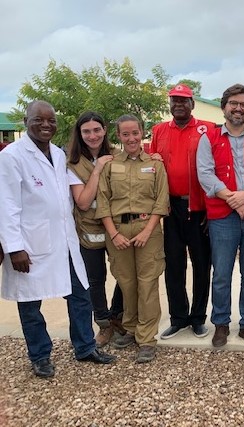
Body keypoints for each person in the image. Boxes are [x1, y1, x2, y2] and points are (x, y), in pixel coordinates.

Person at [0, 100, 116, 378]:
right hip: (30, 244)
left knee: (80, 295)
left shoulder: (58, 153)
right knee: (30, 303)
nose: (45, 125)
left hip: (65, 240)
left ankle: (85, 347)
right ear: (25, 122)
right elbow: (6, 204)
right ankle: (40, 355)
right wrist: (14, 248)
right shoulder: (12, 156)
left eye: (50, 120)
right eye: (38, 120)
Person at [197, 83, 244, 348]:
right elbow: (206, 175)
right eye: (233, 103)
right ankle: (221, 323)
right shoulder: (209, 139)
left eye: (243, 104)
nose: (238, 108)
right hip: (222, 218)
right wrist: (235, 200)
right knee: (221, 273)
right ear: (224, 107)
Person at [96, 114, 169, 363]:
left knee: (148, 283)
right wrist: (113, 233)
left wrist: (148, 230)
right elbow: (103, 201)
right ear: (118, 135)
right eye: (125, 134)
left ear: (142, 133)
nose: (131, 138)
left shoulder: (155, 164)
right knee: (126, 282)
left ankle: (147, 339)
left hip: (147, 228)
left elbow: (162, 201)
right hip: (117, 231)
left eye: (135, 133)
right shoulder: (109, 164)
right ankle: (130, 327)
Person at [150, 84, 216, 340]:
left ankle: (198, 318)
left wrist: (213, 209)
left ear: (192, 104)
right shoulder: (159, 130)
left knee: (202, 264)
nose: (178, 104)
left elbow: (216, 169)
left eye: (184, 100)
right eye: (174, 100)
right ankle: (178, 317)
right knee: (174, 265)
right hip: (171, 208)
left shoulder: (207, 129)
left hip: (199, 207)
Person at [67, 111, 125, 347]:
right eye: (86, 131)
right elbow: (82, 201)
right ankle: (103, 323)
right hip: (88, 229)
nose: (92, 136)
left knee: (124, 274)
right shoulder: (72, 163)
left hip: (118, 227)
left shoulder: (118, 156)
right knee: (95, 278)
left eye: (96, 130)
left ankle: (118, 316)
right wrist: (98, 169)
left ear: (105, 131)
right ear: (79, 134)